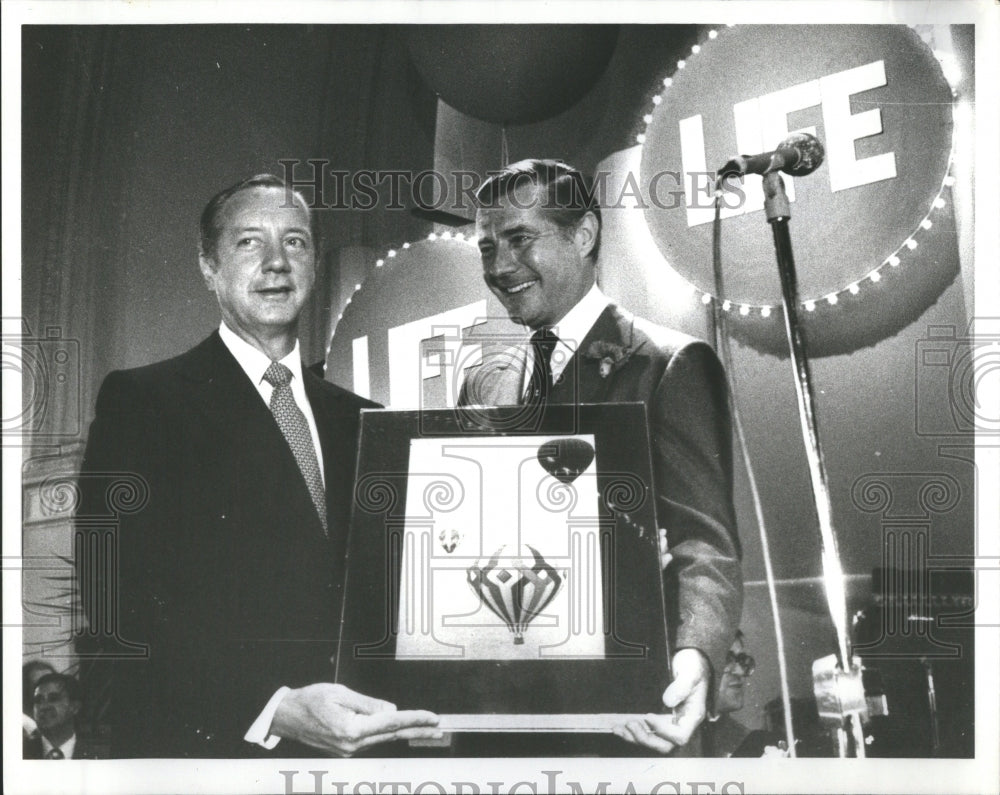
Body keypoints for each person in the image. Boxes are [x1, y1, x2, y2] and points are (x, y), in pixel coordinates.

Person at [75, 174, 440, 757]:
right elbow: (116, 601)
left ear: (315, 265)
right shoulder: (143, 402)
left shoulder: (367, 422)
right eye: (249, 242)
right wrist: (271, 707)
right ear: (208, 266)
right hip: (221, 753)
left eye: (295, 242)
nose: (276, 262)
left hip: (365, 750)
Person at [462, 159, 742, 755]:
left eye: (518, 239)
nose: (499, 267)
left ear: (583, 235)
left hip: (626, 724)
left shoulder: (668, 364)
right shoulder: (483, 387)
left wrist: (696, 655)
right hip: (500, 725)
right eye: (487, 248)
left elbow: (703, 541)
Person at [23, 673, 102, 759]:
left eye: (53, 699)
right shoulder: (20, 752)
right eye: (38, 700)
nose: (43, 706)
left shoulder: (96, 757)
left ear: (74, 707)